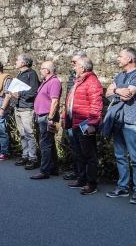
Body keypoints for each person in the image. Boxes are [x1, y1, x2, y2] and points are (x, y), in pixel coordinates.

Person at [105, 47, 136, 204]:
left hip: (131, 121)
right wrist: (118, 92)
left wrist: (116, 90)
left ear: (129, 59)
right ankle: (123, 187)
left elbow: (130, 93)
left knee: (135, 158)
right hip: (117, 120)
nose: (117, 59)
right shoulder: (120, 75)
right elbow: (108, 93)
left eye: (120, 56)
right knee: (120, 156)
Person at [62, 58, 103, 194]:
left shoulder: (92, 82)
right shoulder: (79, 81)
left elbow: (96, 105)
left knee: (89, 155)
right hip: (75, 123)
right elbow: (70, 101)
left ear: (83, 68)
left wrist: (92, 123)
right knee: (79, 153)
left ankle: (91, 184)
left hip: (84, 124)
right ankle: (82, 179)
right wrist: (64, 117)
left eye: (76, 66)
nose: (74, 68)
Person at [30, 61, 62, 179]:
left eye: (42, 68)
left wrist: (50, 118)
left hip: (47, 116)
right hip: (43, 115)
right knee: (50, 143)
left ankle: (44, 171)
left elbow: (55, 101)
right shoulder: (46, 82)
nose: (40, 70)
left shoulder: (54, 82)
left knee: (45, 143)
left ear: (47, 70)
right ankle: (53, 168)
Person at [10, 53, 40, 170]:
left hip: (26, 108)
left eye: (17, 60)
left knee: (29, 134)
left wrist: (19, 94)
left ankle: (33, 158)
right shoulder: (20, 74)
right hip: (18, 107)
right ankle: (25, 155)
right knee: (22, 134)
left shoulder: (31, 74)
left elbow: (34, 91)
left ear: (23, 63)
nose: (16, 62)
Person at [63, 51, 87, 180]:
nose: (72, 64)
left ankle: (82, 174)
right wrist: (65, 115)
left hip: (81, 118)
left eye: (74, 62)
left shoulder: (87, 79)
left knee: (82, 148)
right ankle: (77, 171)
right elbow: (68, 97)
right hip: (71, 116)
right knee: (74, 146)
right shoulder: (73, 75)